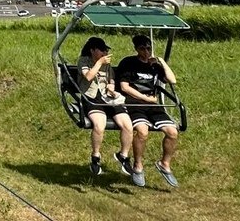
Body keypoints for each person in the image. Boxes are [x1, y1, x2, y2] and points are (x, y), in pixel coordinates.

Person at [116, 34, 180, 188]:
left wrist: (162, 62)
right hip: (134, 104)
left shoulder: (154, 65)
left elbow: (172, 80)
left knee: (172, 132)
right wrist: (145, 98)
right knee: (143, 132)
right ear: (136, 49)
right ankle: (138, 166)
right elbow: (125, 87)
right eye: (142, 48)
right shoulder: (128, 63)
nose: (146, 51)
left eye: (148, 48)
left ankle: (164, 164)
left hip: (153, 105)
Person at [77, 36, 133, 177]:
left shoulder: (107, 65)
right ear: (92, 50)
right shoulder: (84, 61)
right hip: (91, 97)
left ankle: (123, 156)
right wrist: (99, 63)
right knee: (99, 125)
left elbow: (111, 80)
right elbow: (88, 76)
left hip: (107, 97)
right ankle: (96, 157)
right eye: (102, 50)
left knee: (127, 125)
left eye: (105, 50)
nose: (105, 53)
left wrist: (111, 89)